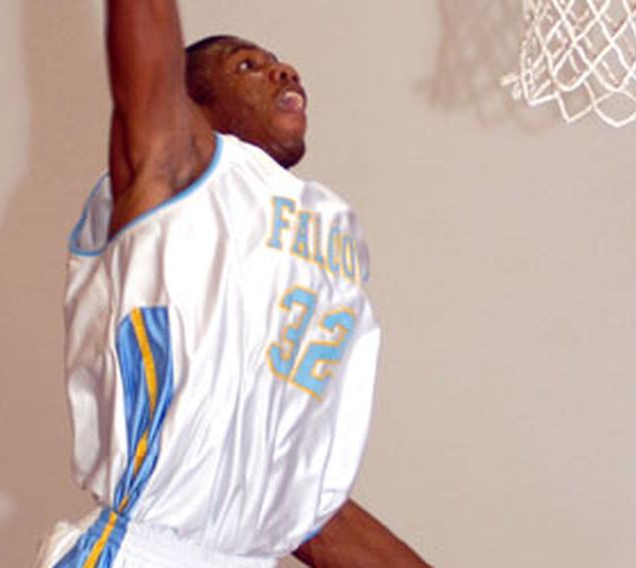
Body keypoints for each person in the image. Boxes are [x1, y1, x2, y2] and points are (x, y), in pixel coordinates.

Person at [34, 1, 429, 567]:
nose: (284, 70)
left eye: (278, 62)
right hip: (143, 550)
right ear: (190, 100)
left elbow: (293, 503)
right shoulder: (175, 165)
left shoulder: (321, 225)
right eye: (246, 66)